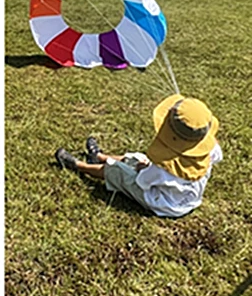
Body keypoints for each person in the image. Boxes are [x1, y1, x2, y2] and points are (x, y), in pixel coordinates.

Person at [55, 94, 221, 219]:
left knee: (117, 171)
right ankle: (99, 156)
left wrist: (142, 169)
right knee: (137, 157)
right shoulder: (210, 151)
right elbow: (216, 156)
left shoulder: (163, 167)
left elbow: (142, 181)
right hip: (188, 200)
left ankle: (78, 165)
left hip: (164, 205)